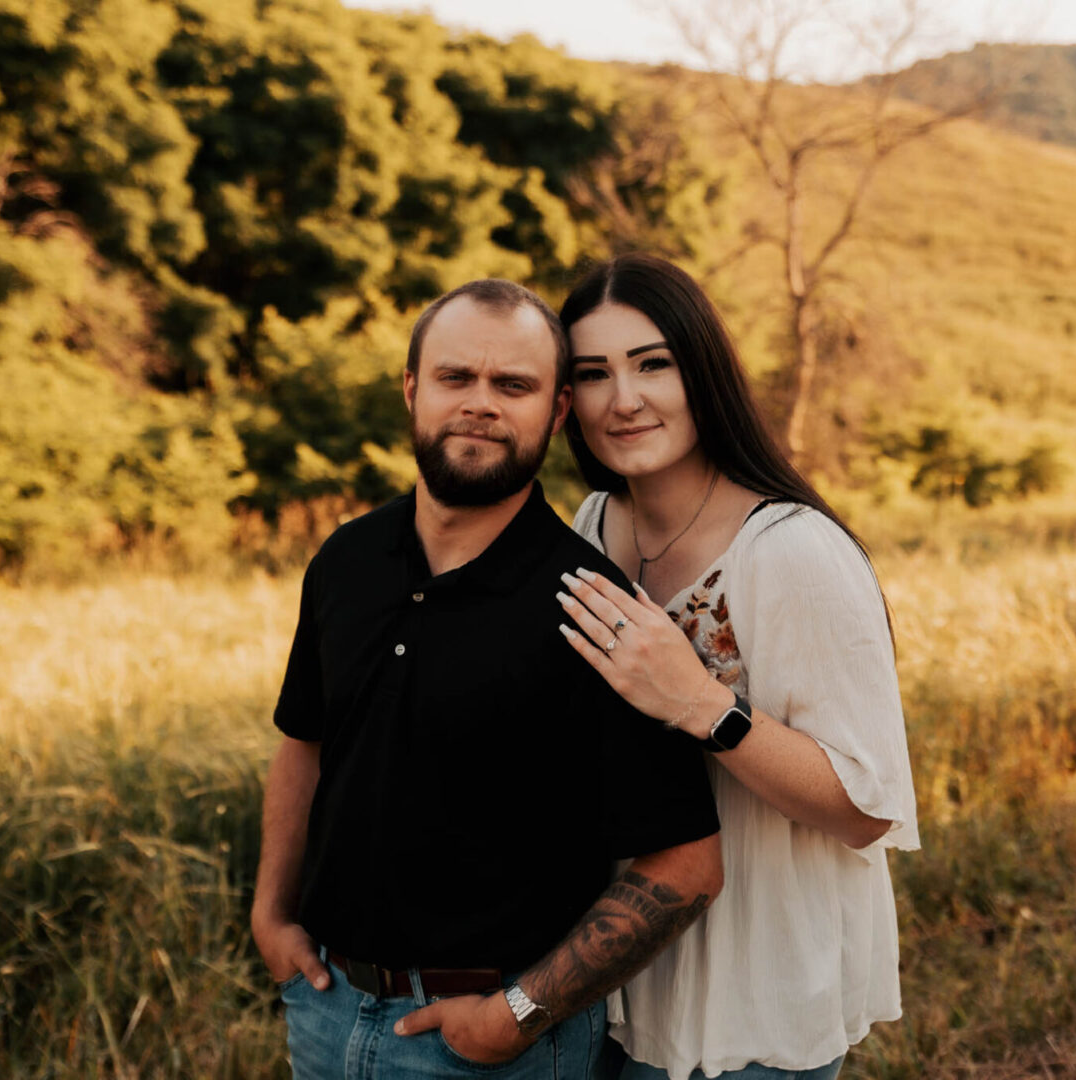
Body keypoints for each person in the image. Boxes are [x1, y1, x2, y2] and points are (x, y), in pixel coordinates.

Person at [251, 277, 724, 1080]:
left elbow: (685, 865)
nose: (480, 403)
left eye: (513, 385)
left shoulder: (594, 608)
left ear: (558, 410)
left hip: (491, 1047)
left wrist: (519, 1015)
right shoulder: (346, 560)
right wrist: (270, 914)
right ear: (411, 390)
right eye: (454, 378)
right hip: (325, 1010)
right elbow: (305, 744)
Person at [553, 254, 920, 1080]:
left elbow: (866, 807)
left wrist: (702, 704)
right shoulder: (591, 524)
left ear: (703, 370)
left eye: (653, 364)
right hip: (613, 966)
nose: (624, 399)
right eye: (593, 373)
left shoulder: (791, 551)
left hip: (751, 986)